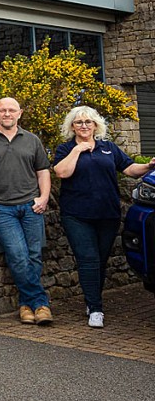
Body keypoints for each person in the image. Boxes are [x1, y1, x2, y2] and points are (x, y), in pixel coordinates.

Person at [52, 105, 155, 328]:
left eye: (88, 122)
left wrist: (148, 165)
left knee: (99, 260)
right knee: (88, 259)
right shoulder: (65, 149)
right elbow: (61, 172)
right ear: (72, 126)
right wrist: (78, 150)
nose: (84, 126)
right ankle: (96, 309)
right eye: (79, 122)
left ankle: (92, 300)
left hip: (107, 214)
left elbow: (129, 168)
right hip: (77, 214)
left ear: (96, 125)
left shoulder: (108, 148)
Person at [0, 98, 53, 325]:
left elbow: (43, 171)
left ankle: (27, 305)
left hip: (31, 205)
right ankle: (41, 303)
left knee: (34, 255)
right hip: (1, 208)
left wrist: (43, 198)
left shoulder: (32, 140)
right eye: (3, 110)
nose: (7, 113)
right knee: (18, 255)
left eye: (11, 110)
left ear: (20, 113)